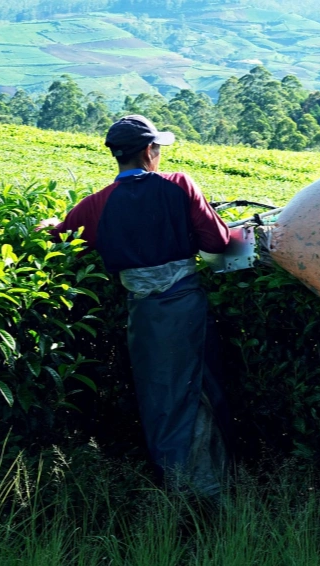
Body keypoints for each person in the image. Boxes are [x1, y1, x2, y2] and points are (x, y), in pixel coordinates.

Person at [38, 115, 232, 497]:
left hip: (143, 315)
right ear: (149, 151)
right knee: (197, 392)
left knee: (161, 396)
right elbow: (219, 244)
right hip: (186, 308)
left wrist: (48, 225)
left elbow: (59, 237)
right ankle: (206, 491)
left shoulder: (95, 206)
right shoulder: (179, 185)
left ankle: (180, 486)